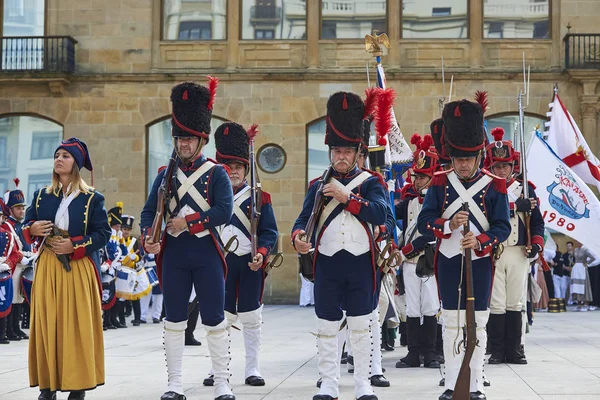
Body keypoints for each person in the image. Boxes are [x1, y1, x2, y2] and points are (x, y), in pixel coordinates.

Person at [140, 78, 235, 400]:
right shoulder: (164, 174)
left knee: (214, 318)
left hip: (207, 252)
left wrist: (189, 221)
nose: (183, 143)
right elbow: (147, 212)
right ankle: (174, 383)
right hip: (175, 255)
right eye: (179, 137)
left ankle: (223, 383)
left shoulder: (216, 172)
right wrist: (147, 238)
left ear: (201, 139)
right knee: (173, 318)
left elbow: (224, 211)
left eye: (189, 138)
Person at [292, 90, 387, 400]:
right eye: (336, 150)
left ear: (358, 151)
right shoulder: (317, 185)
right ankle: (329, 383)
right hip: (328, 263)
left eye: (347, 150)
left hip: (361, 263)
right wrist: (298, 238)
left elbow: (380, 213)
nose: (341, 156)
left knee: (361, 327)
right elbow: (302, 219)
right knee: (327, 327)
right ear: (330, 152)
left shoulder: (372, 182)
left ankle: (362, 384)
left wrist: (348, 198)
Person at [417, 100, 511, 400]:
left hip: (481, 262)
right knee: (451, 321)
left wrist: (481, 241)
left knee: (478, 322)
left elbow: (502, 227)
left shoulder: (495, 185)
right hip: (447, 260)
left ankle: (476, 383)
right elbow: (424, 222)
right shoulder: (439, 182)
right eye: (458, 158)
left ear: (479, 154)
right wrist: (446, 225)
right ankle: (451, 382)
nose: (463, 164)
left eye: (469, 158)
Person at [24, 137, 110, 400]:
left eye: (66, 156)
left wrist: (74, 245)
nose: (59, 159)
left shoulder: (93, 198)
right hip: (48, 266)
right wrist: (31, 229)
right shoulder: (41, 195)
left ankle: (77, 385)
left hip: (78, 266)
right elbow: (24, 225)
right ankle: (47, 386)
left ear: (76, 163)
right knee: (48, 323)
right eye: (57, 155)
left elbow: (102, 234)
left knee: (76, 324)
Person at [202, 122, 278, 387]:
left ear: (246, 168)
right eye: (227, 167)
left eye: (237, 167)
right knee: (218, 316)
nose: (232, 172)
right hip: (218, 263)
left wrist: (261, 253)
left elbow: (270, 233)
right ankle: (217, 368)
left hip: (249, 263)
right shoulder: (209, 196)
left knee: (251, 316)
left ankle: (252, 368)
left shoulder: (260, 196)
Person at [484, 127, 544, 365]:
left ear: (512, 166)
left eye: (505, 166)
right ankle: (496, 350)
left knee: (516, 302)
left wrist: (536, 245)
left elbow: (537, 223)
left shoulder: (526, 188)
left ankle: (515, 349)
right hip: (496, 251)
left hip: (519, 251)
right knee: (496, 302)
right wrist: (514, 207)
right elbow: (485, 216)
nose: (502, 170)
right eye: (498, 166)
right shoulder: (486, 188)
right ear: (491, 167)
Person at [394, 133, 441, 370]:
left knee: (430, 306)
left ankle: (430, 353)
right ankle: (413, 352)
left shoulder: (441, 201)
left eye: (424, 177)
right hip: (410, 263)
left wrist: (407, 250)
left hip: (430, 260)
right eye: (417, 176)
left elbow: (432, 233)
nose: (419, 181)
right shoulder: (409, 200)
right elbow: (394, 222)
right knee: (412, 307)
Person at [2, 178, 34, 340]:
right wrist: (23, 258)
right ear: (10, 210)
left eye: (22, 208)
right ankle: (8, 329)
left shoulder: (22, 225)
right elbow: (11, 249)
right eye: (18, 208)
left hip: (24, 264)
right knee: (11, 297)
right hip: (14, 265)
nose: (22, 211)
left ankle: (15, 327)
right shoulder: (6, 226)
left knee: (20, 298)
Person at [0, 199, 24, 344]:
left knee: (7, 300)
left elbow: (15, 253)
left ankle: (4, 332)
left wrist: (7, 264)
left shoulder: (6, 234)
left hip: (5, 268)